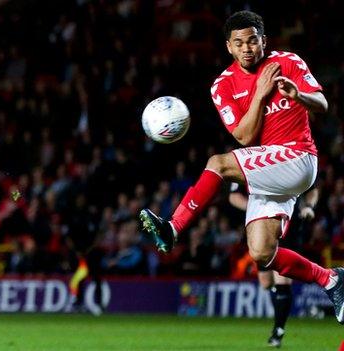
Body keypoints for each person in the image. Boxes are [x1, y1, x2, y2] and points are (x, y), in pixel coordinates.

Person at [138, 10, 343, 324]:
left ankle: (173, 227)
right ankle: (331, 280)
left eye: (252, 41)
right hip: (270, 168)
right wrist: (261, 94)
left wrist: (298, 95)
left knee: (218, 164)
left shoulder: (288, 61)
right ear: (229, 47)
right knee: (262, 252)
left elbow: (323, 105)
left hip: (298, 156)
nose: (247, 48)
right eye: (239, 43)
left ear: (263, 41)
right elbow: (244, 136)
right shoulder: (223, 86)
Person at [229, 183, 319, 347]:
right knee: (266, 282)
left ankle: (278, 330)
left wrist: (308, 206)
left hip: (288, 224)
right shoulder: (248, 160)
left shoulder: (295, 159)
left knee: (282, 280)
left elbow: (313, 187)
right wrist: (252, 208)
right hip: (261, 226)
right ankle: (283, 307)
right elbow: (233, 195)